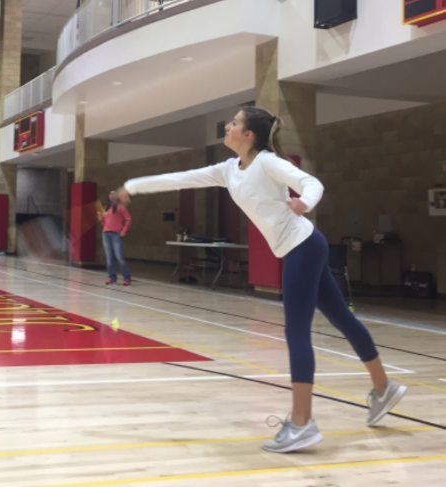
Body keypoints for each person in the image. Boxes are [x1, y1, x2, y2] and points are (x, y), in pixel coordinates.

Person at [116, 107, 406, 453]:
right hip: (303, 247)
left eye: (234, 123)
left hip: (303, 247)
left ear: (249, 134)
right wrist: (133, 185)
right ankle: (383, 387)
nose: (228, 126)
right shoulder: (228, 170)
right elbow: (183, 177)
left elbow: (312, 183)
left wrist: (305, 203)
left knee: (296, 333)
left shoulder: (268, 162)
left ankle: (302, 423)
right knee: (341, 317)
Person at [98, 190, 132, 286]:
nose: (111, 195)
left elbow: (128, 219)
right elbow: (105, 222)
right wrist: (101, 220)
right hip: (106, 234)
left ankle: (127, 277)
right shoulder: (106, 208)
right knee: (109, 257)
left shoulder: (120, 207)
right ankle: (112, 277)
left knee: (119, 256)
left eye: (114, 194)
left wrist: (124, 231)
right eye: (110, 194)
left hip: (116, 234)